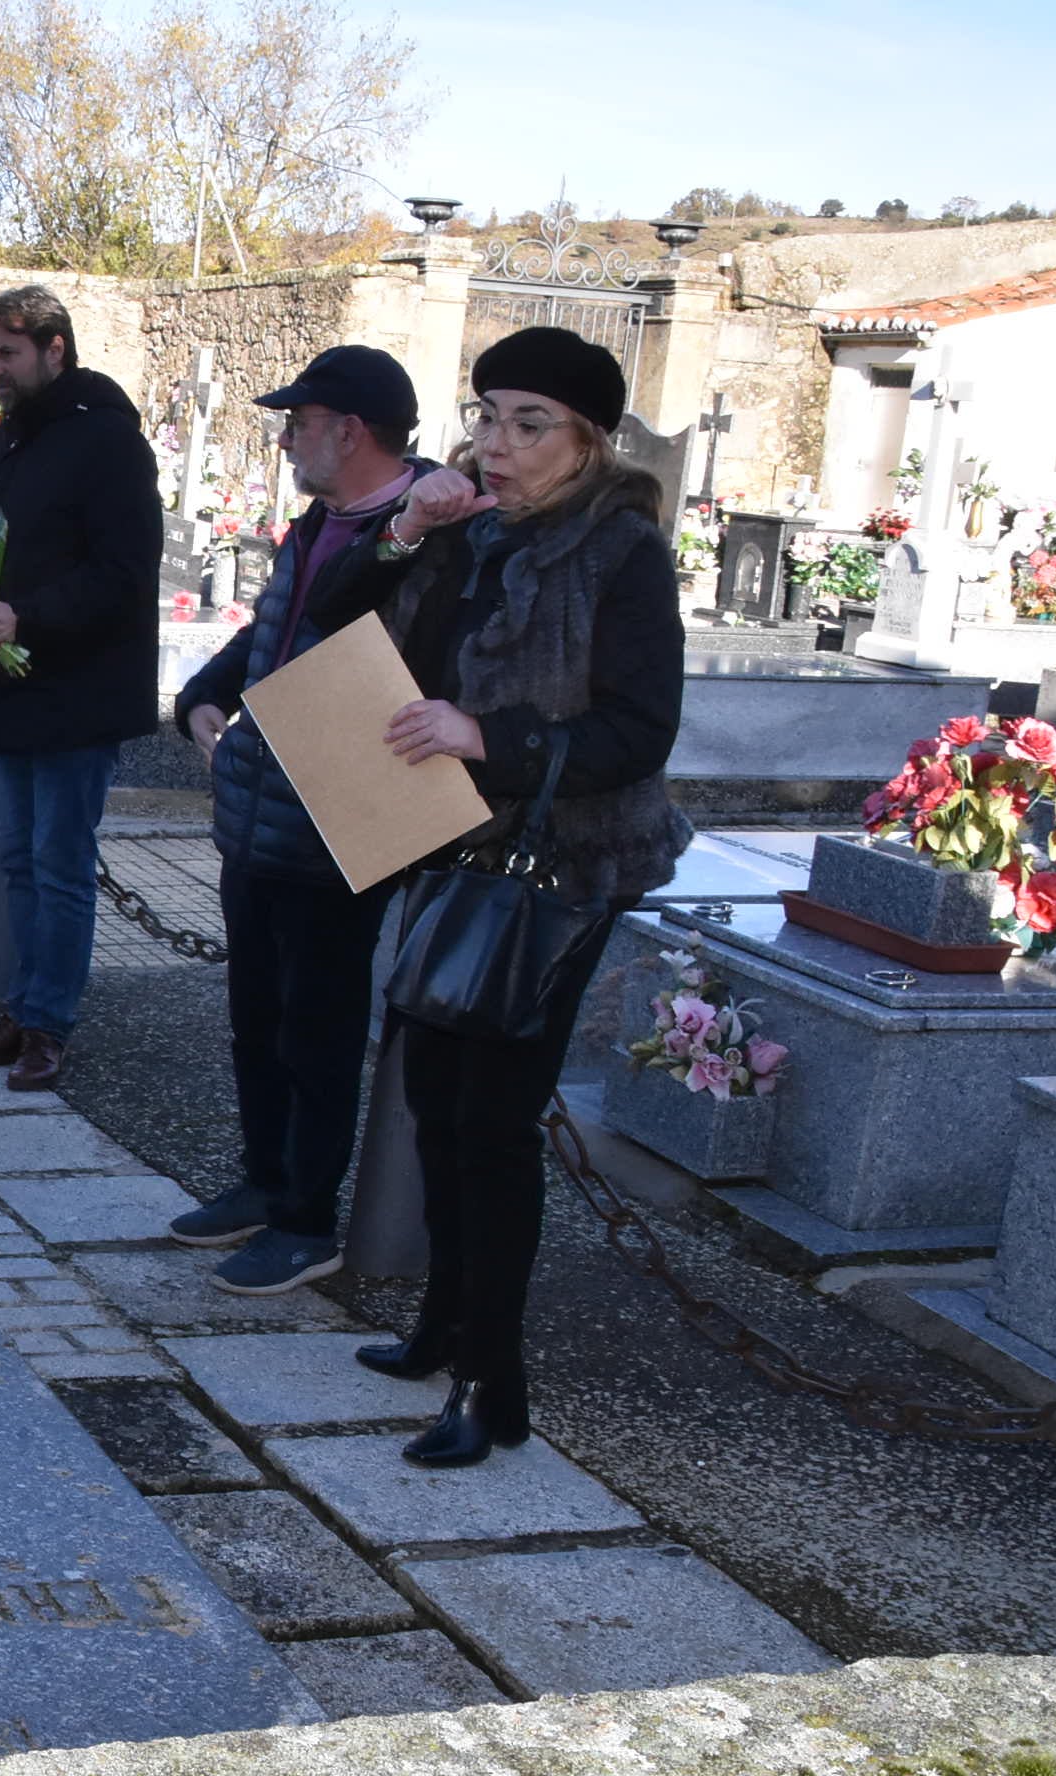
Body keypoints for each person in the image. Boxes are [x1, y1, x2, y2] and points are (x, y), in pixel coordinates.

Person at [318, 326, 690, 1467]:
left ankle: (496, 1381)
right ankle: (444, 1319)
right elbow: (339, 618)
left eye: (530, 424)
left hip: (562, 873)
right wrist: (405, 532)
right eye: (486, 417)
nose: (499, 443)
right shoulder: (471, 533)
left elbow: (641, 729)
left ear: (588, 442)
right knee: (432, 1093)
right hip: (453, 846)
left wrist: (494, 734)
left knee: (492, 1124)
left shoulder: (620, 550)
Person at [167, 347, 436, 1296]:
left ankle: (308, 1219)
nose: (286, 438)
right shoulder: (321, 519)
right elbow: (274, 627)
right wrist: (203, 692)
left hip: (340, 813)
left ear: (350, 432)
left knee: (316, 1028)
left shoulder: (429, 532)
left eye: (299, 421)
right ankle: (265, 1181)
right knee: (257, 1016)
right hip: (263, 811)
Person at [0, 286, 160, 1089]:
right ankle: (21, 1009)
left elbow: (125, 570)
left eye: (7, 354)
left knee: (59, 863)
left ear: (55, 349)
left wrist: (31, 618)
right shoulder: (2, 445)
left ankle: (50, 1023)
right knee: (15, 860)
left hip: (80, 687)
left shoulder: (110, 441)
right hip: (11, 687)